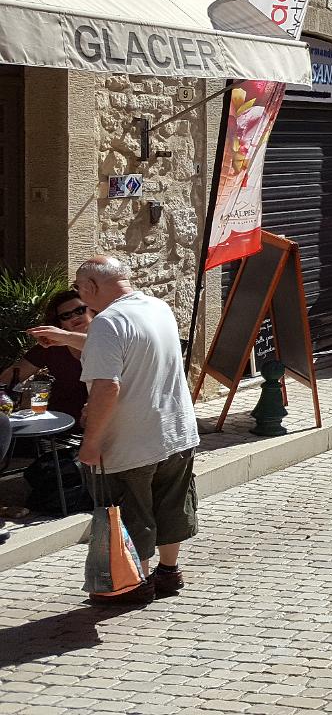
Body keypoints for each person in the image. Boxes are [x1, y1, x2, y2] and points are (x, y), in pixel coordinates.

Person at [73, 256, 198, 606]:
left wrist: (91, 442)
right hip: (176, 431)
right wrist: (64, 336)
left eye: (78, 288)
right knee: (172, 503)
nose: (80, 295)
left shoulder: (106, 322)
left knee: (131, 511)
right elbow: (132, 350)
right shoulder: (158, 308)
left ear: (91, 286)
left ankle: (135, 582)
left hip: (131, 441)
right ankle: (169, 571)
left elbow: (106, 386)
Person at [1, 289, 93, 420]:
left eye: (80, 310)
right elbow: (10, 376)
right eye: (66, 315)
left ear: (92, 310)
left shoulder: (112, 339)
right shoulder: (50, 346)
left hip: (106, 419)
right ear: (59, 323)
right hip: (61, 421)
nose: (74, 317)